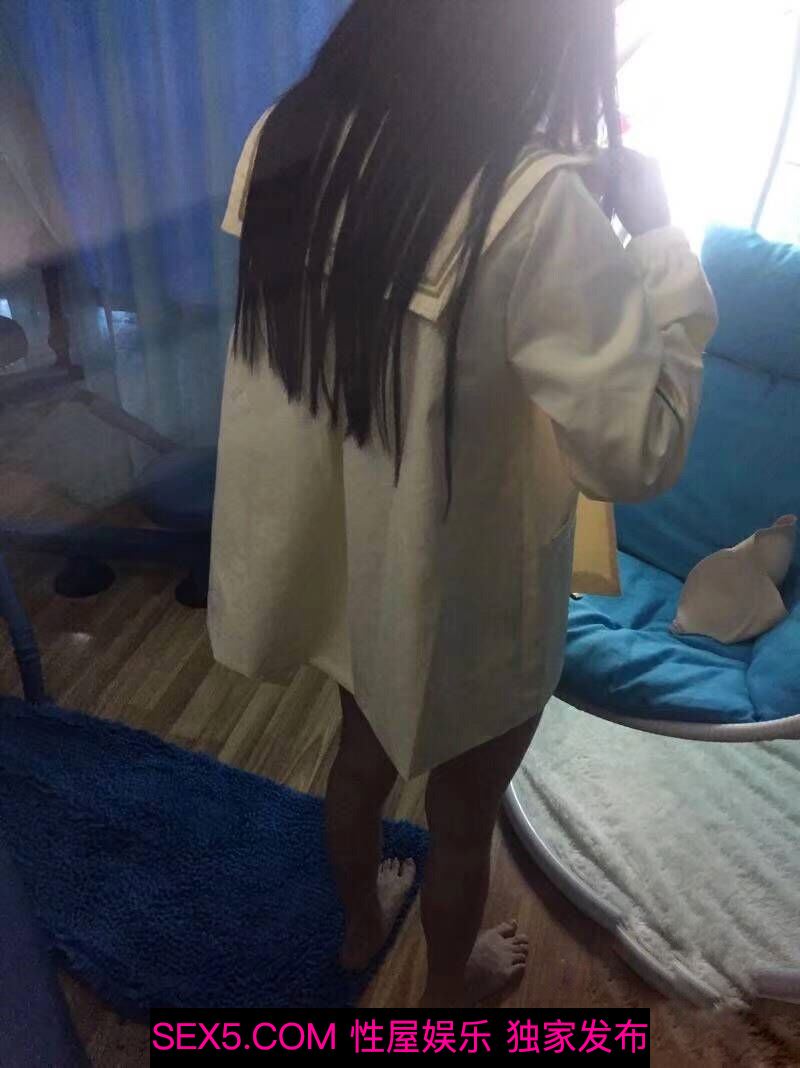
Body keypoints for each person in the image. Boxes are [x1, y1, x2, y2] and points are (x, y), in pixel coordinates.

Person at [209, 0, 717, 1007]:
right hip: (473, 595)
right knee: (461, 817)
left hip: (352, 557)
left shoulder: (289, 131)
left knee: (359, 758)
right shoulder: (537, 206)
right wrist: (658, 233)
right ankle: (448, 989)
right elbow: (640, 448)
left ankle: (359, 924)